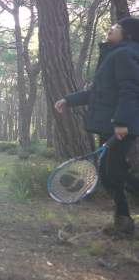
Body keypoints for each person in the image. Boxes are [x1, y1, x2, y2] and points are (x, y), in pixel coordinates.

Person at [55, 17, 139, 236]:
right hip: (110, 124)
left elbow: (130, 91)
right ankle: (123, 221)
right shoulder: (114, 54)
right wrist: (69, 99)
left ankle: (123, 221)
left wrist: (121, 122)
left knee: (114, 172)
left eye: (117, 27)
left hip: (120, 125)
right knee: (108, 171)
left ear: (127, 34)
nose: (111, 28)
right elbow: (100, 92)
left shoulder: (124, 54)